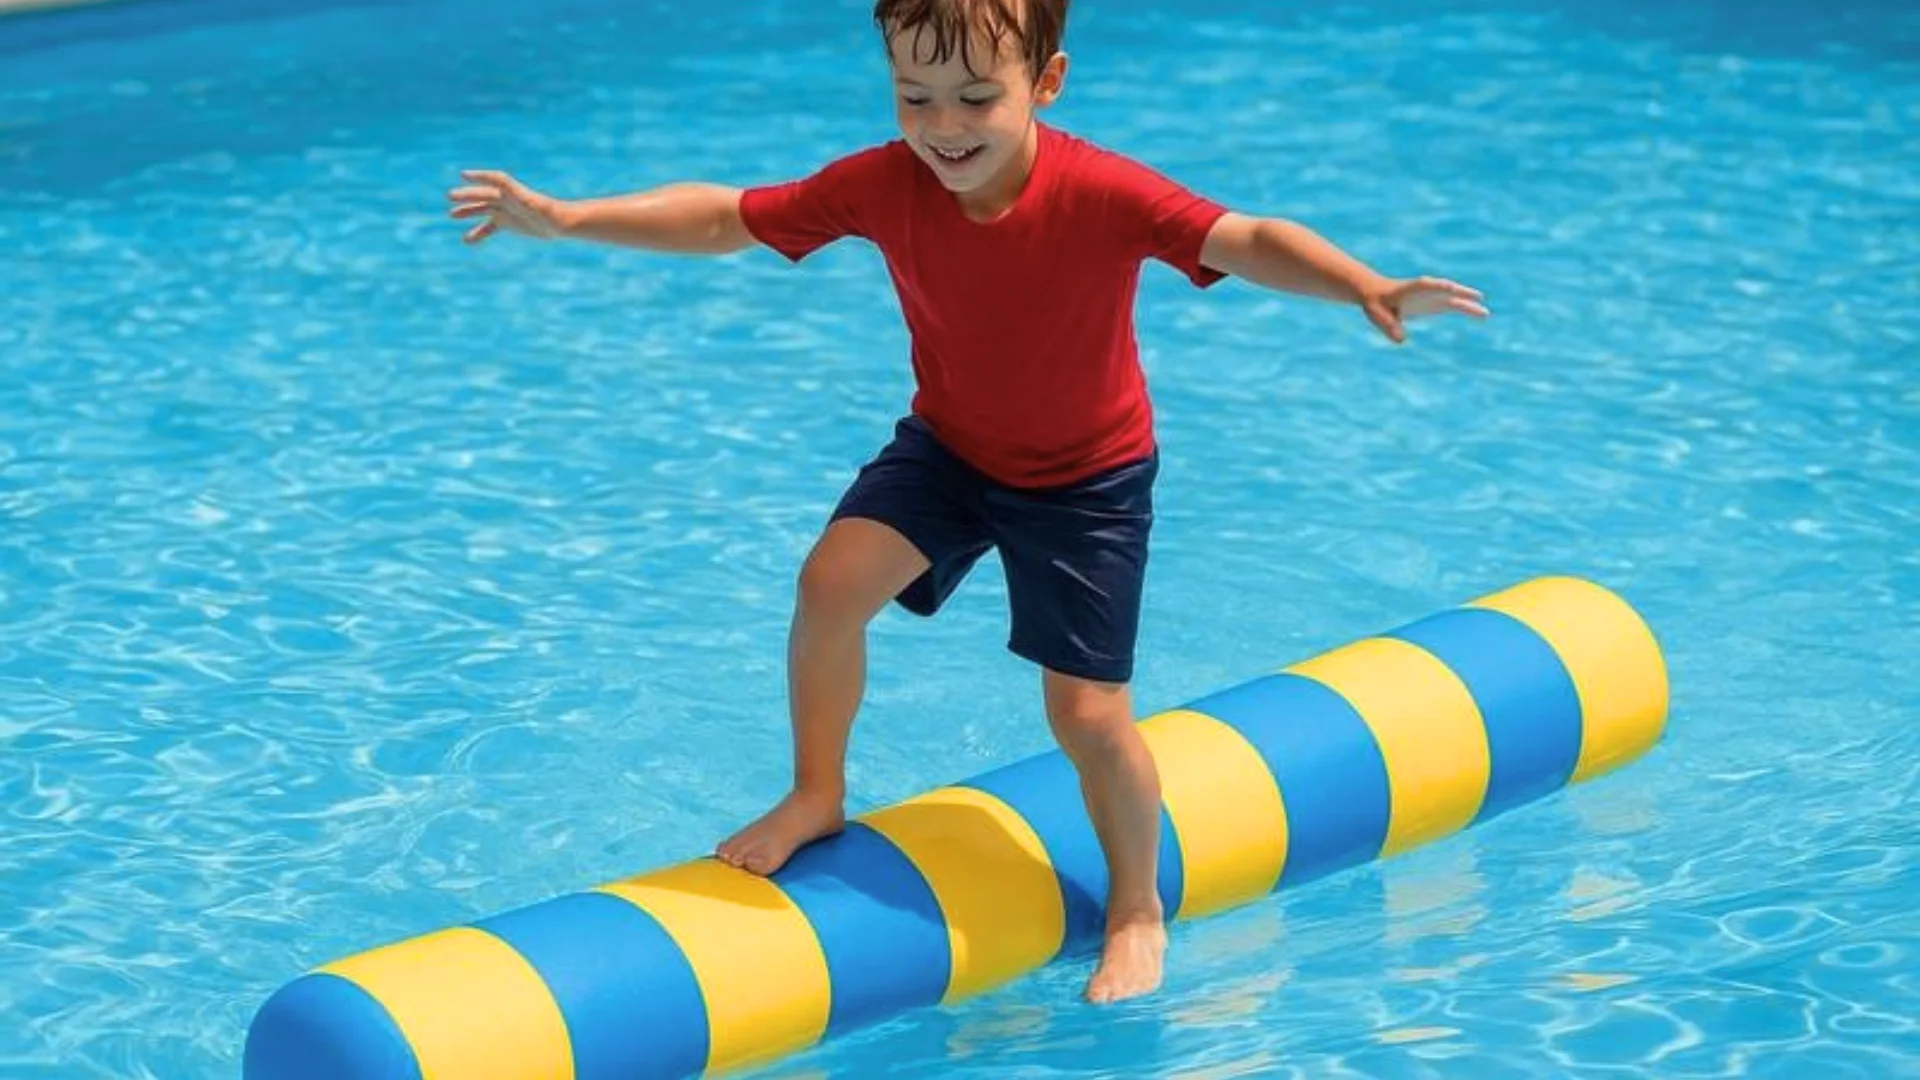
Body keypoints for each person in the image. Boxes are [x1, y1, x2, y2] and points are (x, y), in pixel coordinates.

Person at [446, 0, 1487, 1004]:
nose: (943, 129)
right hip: (951, 449)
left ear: (1045, 82)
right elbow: (731, 217)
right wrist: (566, 218)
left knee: (1084, 715)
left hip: (1086, 481)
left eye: (974, 99)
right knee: (829, 587)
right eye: (914, 98)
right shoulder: (886, 184)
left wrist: (1366, 285)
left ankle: (1133, 904)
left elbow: (1245, 237)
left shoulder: (1102, 191)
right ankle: (818, 792)